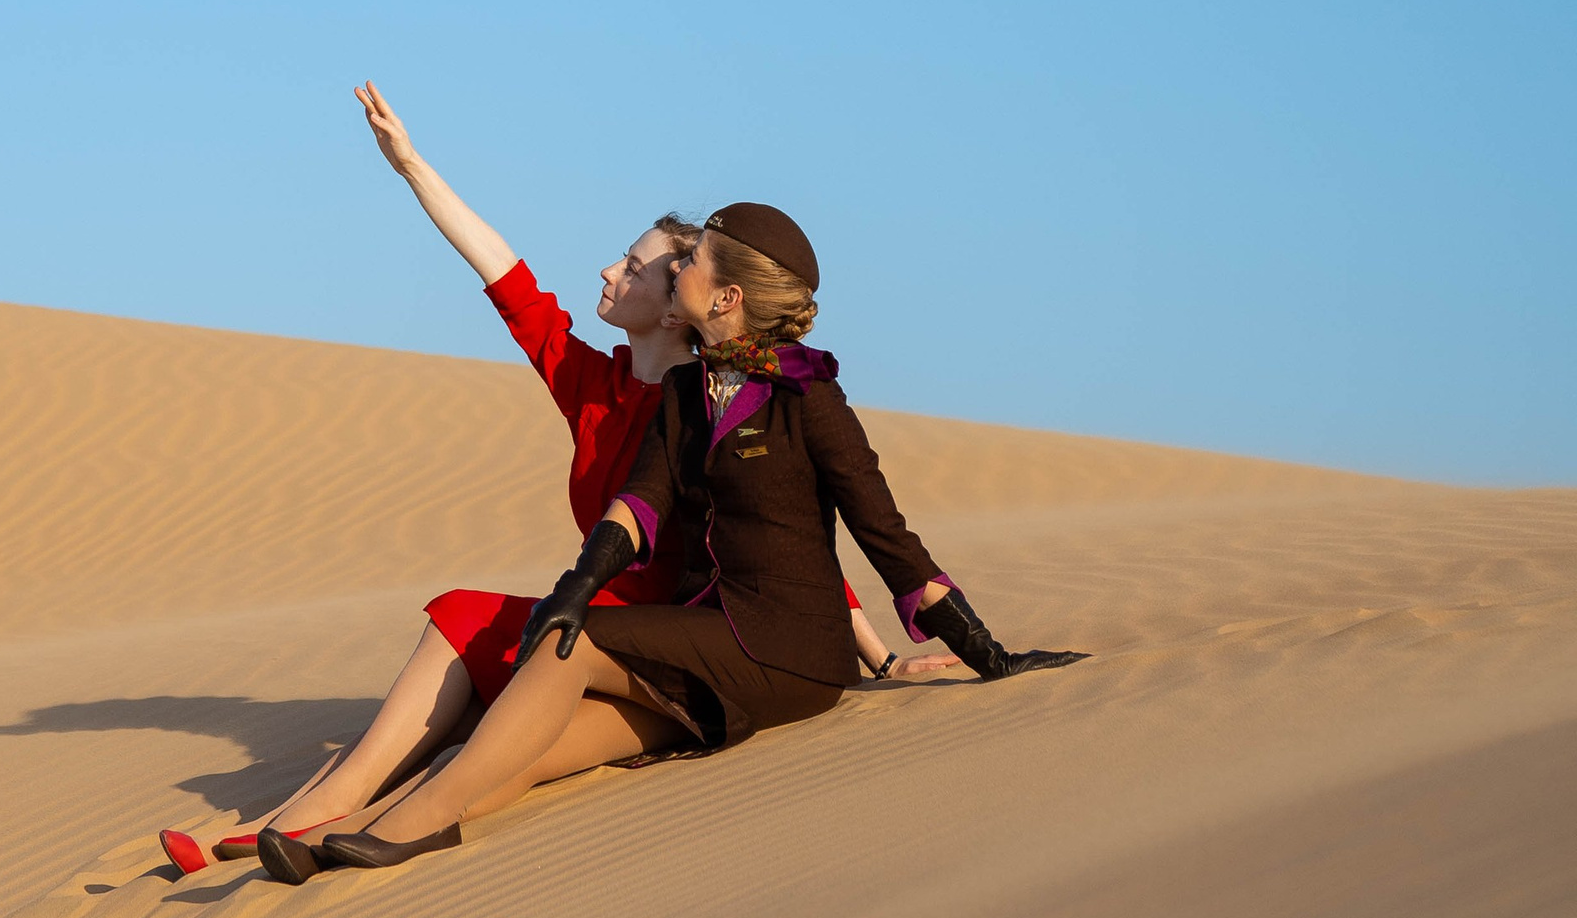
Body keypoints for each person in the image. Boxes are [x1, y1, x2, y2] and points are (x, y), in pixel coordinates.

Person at [154, 95, 960, 882]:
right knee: (462, 619)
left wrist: (880, 658)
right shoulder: (593, 382)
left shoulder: (705, 399)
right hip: (591, 608)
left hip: (669, 629)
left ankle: (335, 821)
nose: (610, 270)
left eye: (638, 265)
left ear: (682, 302)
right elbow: (505, 276)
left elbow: (788, 533)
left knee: (496, 683)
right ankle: (304, 816)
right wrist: (411, 166)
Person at [282, 199, 1084, 875]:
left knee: (579, 643)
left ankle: (413, 823)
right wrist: (578, 583)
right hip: (715, 640)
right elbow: (641, 505)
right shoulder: (685, 391)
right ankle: (360, 828)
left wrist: (990, 654)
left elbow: (887, 537)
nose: (678, 267)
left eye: (692, 257)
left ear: (728, 294)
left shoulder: (808, 397)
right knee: (558, 736)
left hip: (790, 650)